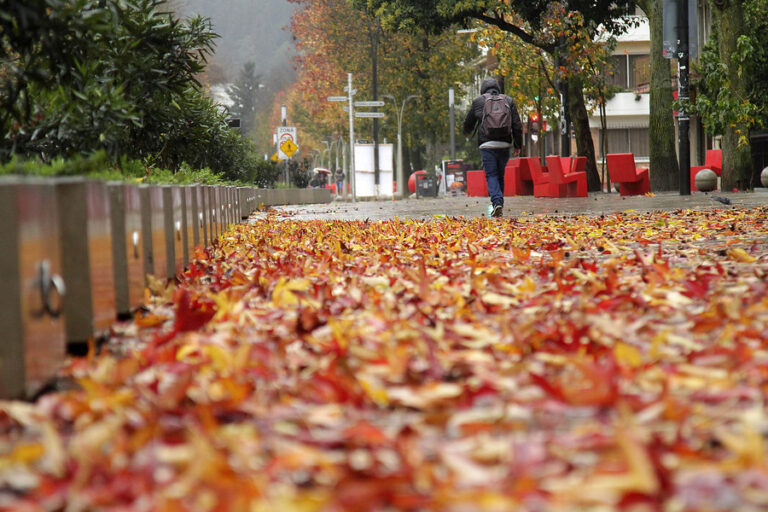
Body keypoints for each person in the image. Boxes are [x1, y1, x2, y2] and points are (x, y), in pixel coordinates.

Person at [462, 78, 523, 218]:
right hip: (504, 144)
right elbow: (517, 125)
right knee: (500, 175)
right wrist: (517, 145)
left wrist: (467, 132)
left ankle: (497, 202)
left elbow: (468, 122)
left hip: (487, 144)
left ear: (483, 90)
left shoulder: (479, 101)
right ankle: (499, 203)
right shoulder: (509, 100)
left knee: (491, 175)